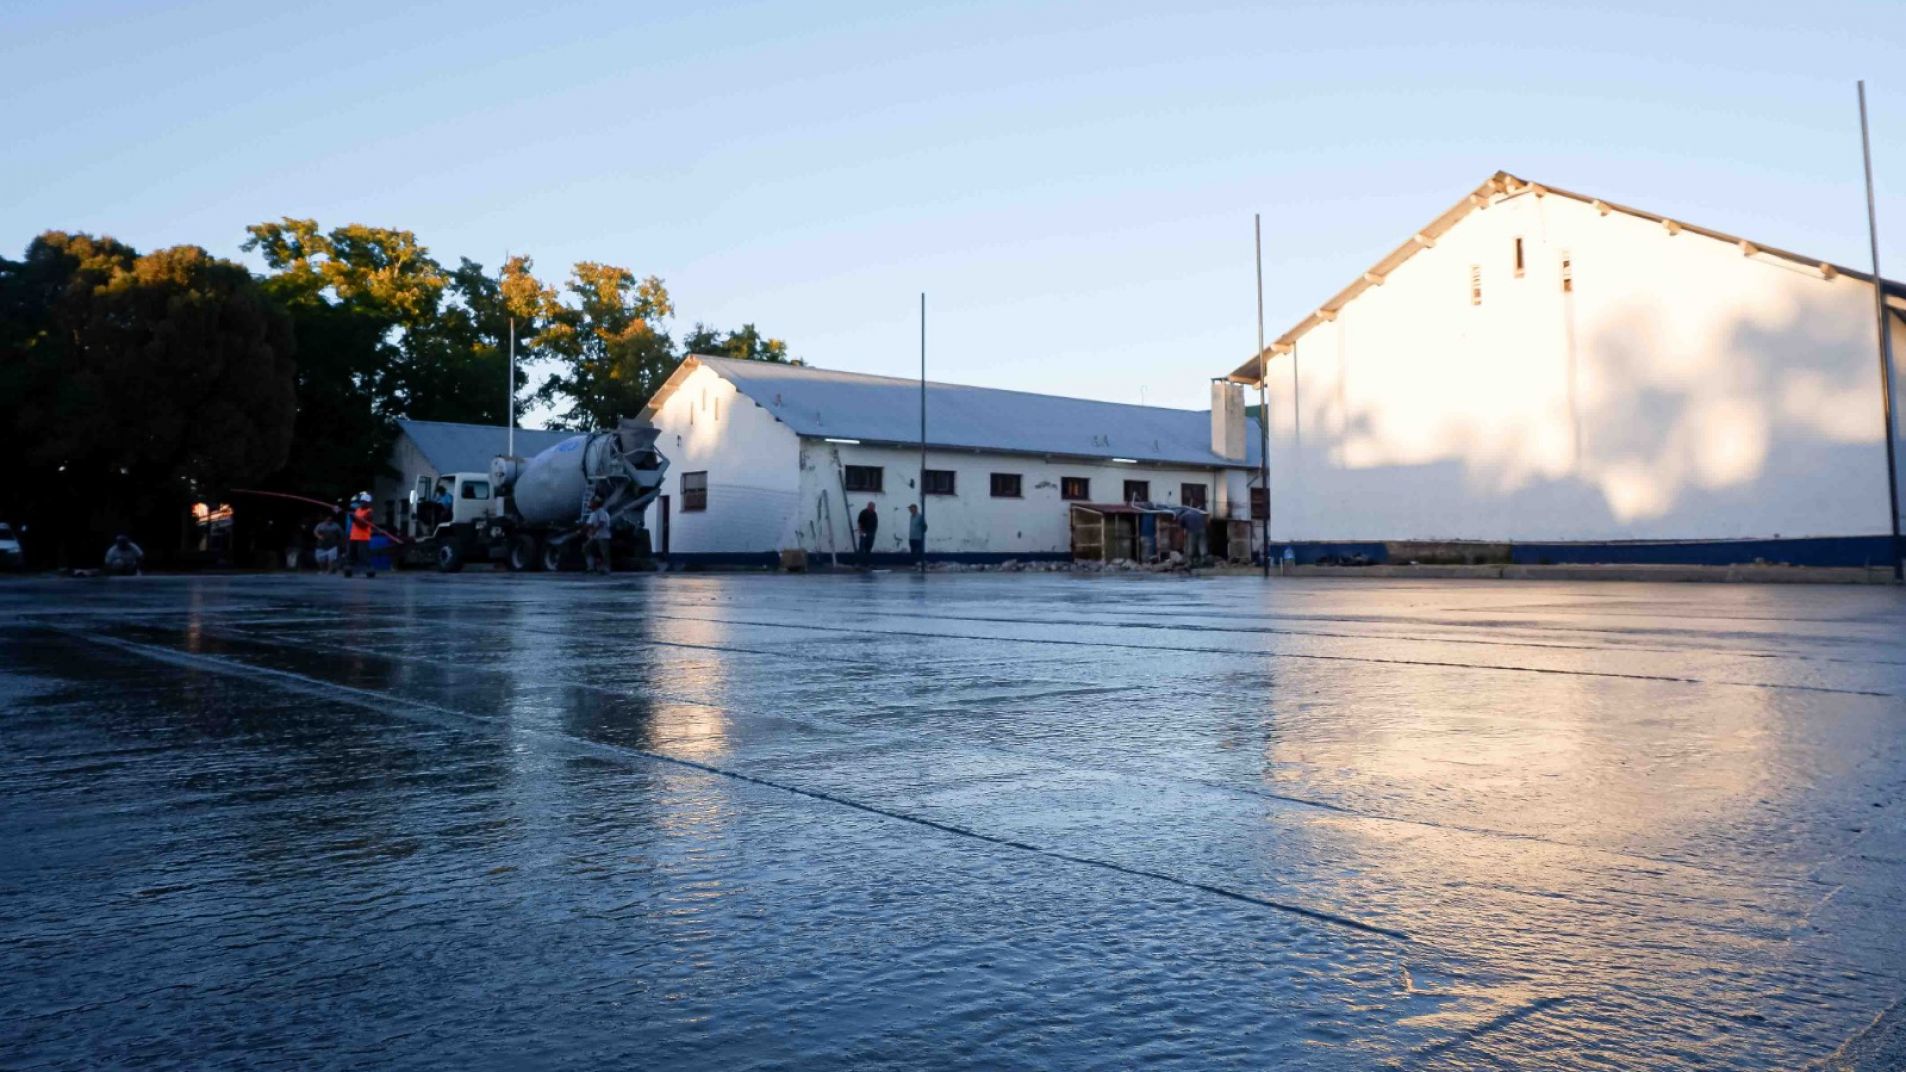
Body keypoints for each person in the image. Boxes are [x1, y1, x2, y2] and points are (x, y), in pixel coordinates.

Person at [343, 492, 376, 578]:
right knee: (351, 554)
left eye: (365, 502)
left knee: (363, 555)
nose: (362, 503)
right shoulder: (358, 510)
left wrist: (354, 518)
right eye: (362, 501)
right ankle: (348, 569)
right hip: (353, 536)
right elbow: (349, 511)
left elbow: (363, 525)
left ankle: (369, 569)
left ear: (368, 503)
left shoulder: (369, 512)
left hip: (363, 537)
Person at [582, 496, 613, 575]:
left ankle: (606, 569)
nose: (589, 503)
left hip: (603, 536)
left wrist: (593, 531)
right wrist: (582, 530)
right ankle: (591, 567)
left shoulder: (601, 511)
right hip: (596, 537)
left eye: (591, 502)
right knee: (586, 548)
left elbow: (602, 523)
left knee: (604, 553)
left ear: (596, 503)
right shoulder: (593, 513)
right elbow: (589, 524)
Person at [856, 501, 878, 569]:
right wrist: (860, 531)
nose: (873, 508)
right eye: (872, 506)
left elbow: (876, 523)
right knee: (861, 548)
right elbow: (859, 522)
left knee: (868, 549)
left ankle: (867, 563)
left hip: (871, 533)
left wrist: (874, 533)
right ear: (868, 506)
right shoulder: (863, 512)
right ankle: (859, 563)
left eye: (874, 507)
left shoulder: (874, 514)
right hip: (864, 532)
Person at [907, 504, 926, 569]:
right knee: (912, 551)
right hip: (911, 537)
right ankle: (914, 564)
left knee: (917, 552)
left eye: (911, 509)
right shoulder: (911, 516)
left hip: (918, 538)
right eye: (910, 509)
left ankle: (918, 564)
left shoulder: (920, 517)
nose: (910, 510)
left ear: (915, 509)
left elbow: (925, 526)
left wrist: (921, 533)